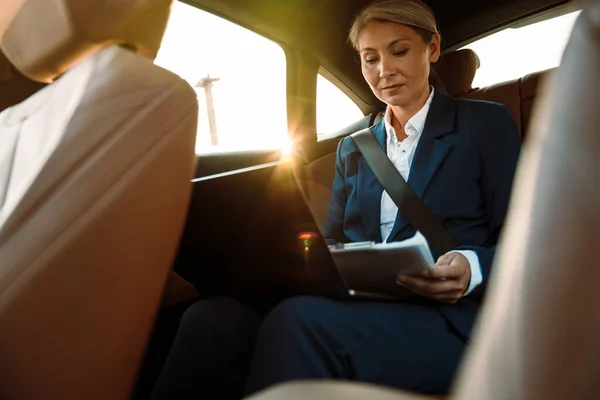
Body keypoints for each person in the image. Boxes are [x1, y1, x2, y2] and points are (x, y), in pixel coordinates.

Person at [149, 0, 521, 398]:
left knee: (297, 321)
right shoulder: (355, 149)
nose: (384, 71)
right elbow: (333, 243)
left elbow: (527, 242)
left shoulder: (484, 124)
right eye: (370, 58)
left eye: (399, 51)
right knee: (212, 317)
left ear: (432, 49)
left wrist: (471, 266)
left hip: (455, 321)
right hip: (369, 305)